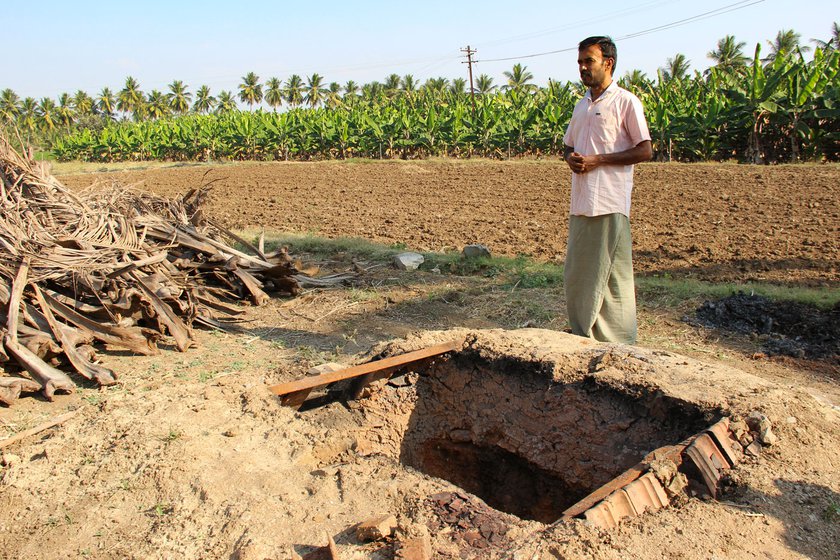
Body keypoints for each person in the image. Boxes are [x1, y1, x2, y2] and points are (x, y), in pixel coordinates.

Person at [562, 36, 652, 344]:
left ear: (608, 63)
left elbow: (644, 150)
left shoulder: (626, 102)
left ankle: (618, 338)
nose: (583, 68)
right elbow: (568, 145)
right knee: (580, 273)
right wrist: (571, 159)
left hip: (610, 200)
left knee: (613, 276)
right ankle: (582, 330)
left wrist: (599, 160)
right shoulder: (581, 105)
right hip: (582, 200)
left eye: (589, 61)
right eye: (580, 62)